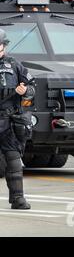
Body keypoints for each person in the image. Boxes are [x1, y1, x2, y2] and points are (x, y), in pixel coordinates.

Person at [0, 28, 35, 209]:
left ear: (4, 45)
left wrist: (25, 91)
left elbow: (31, 87)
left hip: (8, 122)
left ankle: (17, 198)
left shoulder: (14, 64)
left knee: (14, 160)